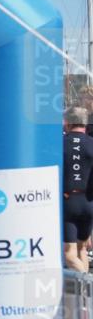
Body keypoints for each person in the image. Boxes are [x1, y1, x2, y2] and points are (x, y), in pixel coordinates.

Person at [64, 107, 93, 272]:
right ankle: (85, 295)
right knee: (82, 250)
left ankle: (89, 284)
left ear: (67, 123)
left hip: (69, 202)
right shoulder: (91, 143)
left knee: (69, 254)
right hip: (88, 202)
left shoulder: (60, 143)